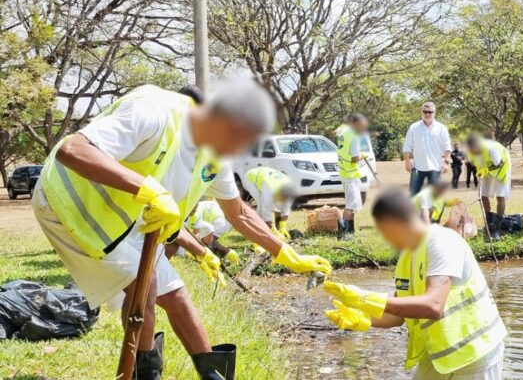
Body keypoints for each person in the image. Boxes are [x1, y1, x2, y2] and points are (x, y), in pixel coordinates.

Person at [32, 80, 331, 380]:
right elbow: (72, 150)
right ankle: (145, 375)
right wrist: (148, 190)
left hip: (127, 219)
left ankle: (214, 376)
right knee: (144, 284)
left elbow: (238, 212)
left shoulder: (215, 155)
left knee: (176, 296)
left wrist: (287, 254)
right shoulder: (155, 110)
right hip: (69, 201)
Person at [322, 187, 507, 380]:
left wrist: (365, 298)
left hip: (474, 353)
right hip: (439, 353)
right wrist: (363, 318)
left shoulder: (442, 241)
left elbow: (433, 305)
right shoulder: (407, 257)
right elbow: (397, 315)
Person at [465, 134, 511, 241]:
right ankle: (490, 222)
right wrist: (480, 169)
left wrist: (486, 169)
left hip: (502, 167)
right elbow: (475, 163)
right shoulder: (471, 152)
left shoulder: (491, 149)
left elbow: (499, 164)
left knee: (500, 197)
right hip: (487, 169)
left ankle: (497, 227)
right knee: (484, 195)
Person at [403, 102, 452, 196]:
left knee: (434, 198)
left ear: (435, 112)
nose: (427, 114)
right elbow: (407, 146)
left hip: (435, 168)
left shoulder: (441, 128)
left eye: (430, 112)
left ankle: (429, 211)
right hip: (417, 168)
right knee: (413, 196)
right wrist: (407, 162)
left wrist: (445, 163)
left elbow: (447, 147)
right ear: (422, 112)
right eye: (425, 111)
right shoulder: (414, 127)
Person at [336, 113, 369, 237]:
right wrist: (363, 155)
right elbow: (355, 158)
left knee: (353, 204)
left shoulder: (343, 132)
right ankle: (343, 234)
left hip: (344, 172)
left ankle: (351, 232)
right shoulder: (353, 136)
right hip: (350, 174)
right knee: (350, 205)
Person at [242, 166, 296, 244]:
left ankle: (262, 228)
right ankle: (254, 230)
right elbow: (266, 212)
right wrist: (274, 231)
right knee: (260, 204)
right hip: (250, 177)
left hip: (267, 177)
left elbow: (286, 208)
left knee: (274, 205)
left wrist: (283, 226)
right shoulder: (270, 190)